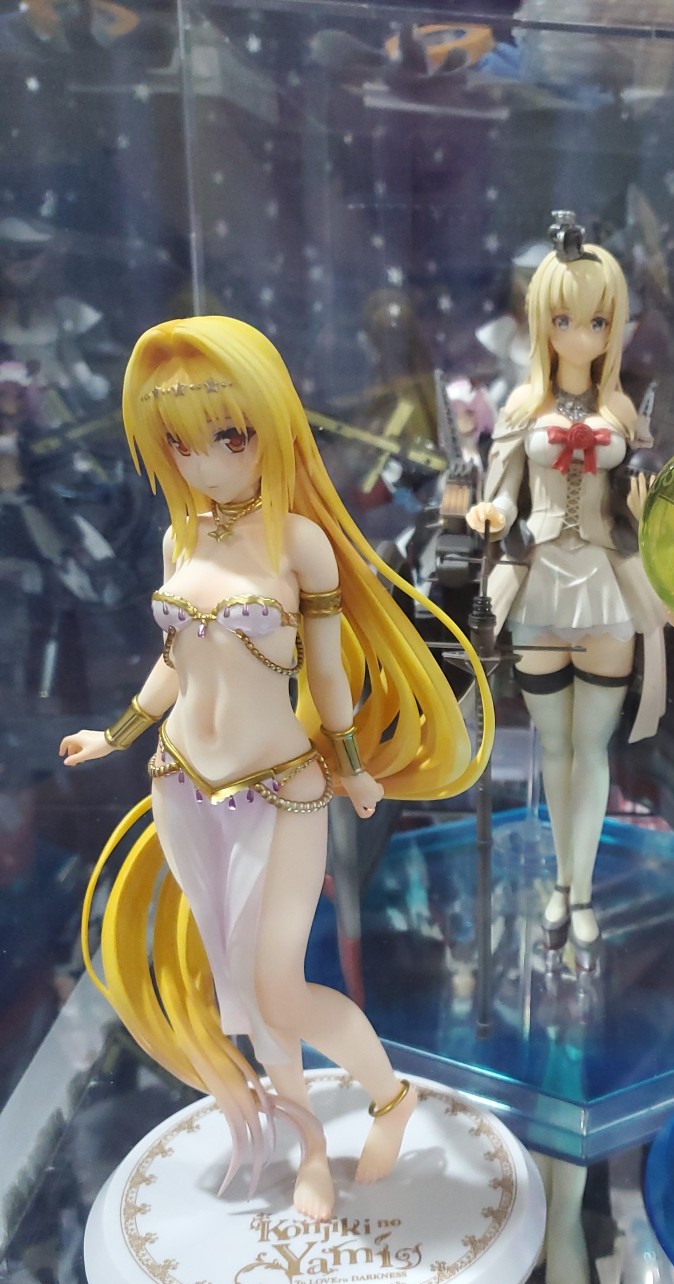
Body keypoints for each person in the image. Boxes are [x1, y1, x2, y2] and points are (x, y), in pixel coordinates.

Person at [61, 315, 493, 1221]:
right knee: (242, 997)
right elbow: (175, 664)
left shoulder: (299, 544)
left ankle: (388, 1099)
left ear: (270, 426)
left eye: (228, 436)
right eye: (178, 443)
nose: (204, 461)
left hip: (283, 791)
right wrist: (117, 733)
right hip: (181, 783)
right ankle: (309, 1147)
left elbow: (327, 675)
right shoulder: (180, 542)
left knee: (279, 991)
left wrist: (353, 765)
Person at [467, 212, 665, 970]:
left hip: (607, 585)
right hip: (542, 581)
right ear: (540, 321)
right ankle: (560, 884)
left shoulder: (623, 413)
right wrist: (491, 514)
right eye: (563, 319)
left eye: (598, 321)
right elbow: (502, 493)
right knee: (554, 748)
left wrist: (647, 504)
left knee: (593, 749)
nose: (581, 335)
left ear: (615, 326)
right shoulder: (522, 408)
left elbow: (642, 497)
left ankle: (581, 895)